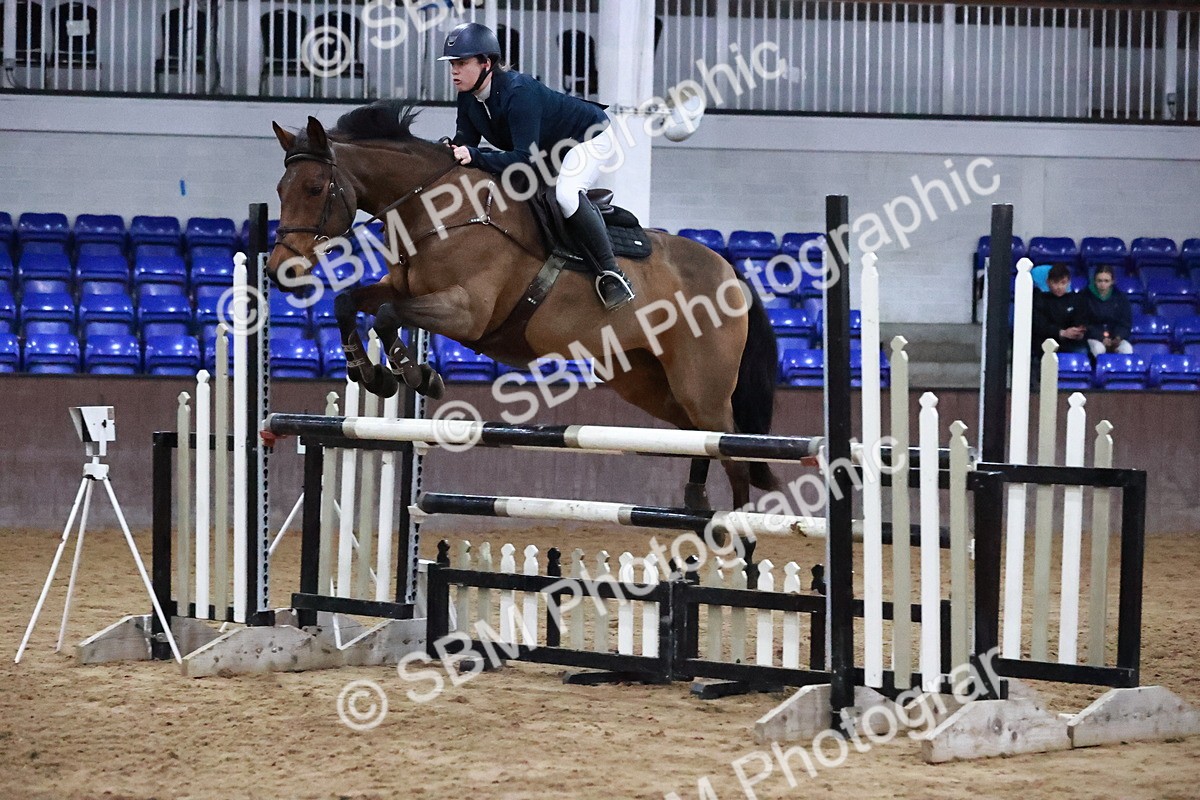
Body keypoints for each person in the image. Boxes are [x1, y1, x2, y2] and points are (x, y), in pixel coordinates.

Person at [438, 22, 636, 311]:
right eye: (452, 64)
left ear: (487, 63)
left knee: (566, 194)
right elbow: (465, 143)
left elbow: (523, 160)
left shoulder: (519, 92)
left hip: (589, 135)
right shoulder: (468, 97)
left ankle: (612, 274)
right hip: (546, 148)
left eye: (462, 63)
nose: (454, 70)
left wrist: (475, 155)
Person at [1031, 263, 1088, 354]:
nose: (1059, 287)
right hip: (1046, 342)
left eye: (1063, 283)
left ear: (1069, 282)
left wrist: (1078, 331)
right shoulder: (1040, 300)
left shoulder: (1076, 299)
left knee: (1082, 351)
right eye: (1055, 282)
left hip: (1072, 342)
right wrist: (1061, 332)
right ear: (1048, 282)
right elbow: (1039, 325)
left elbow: (1081, 319)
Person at [1081, 264, 1133, 356]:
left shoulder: (1121, 298)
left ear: (1112, 281)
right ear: (1094, 281)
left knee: (1127, 349)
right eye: (1099, 281)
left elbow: (1125, 323)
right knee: (1098, 349)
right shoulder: (1084, 297)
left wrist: (1118, 337)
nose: (1102, 284)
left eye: (1106, 281)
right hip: (1094, 337)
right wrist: (1101, 337)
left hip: (1115, 338)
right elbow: (1084, 323)